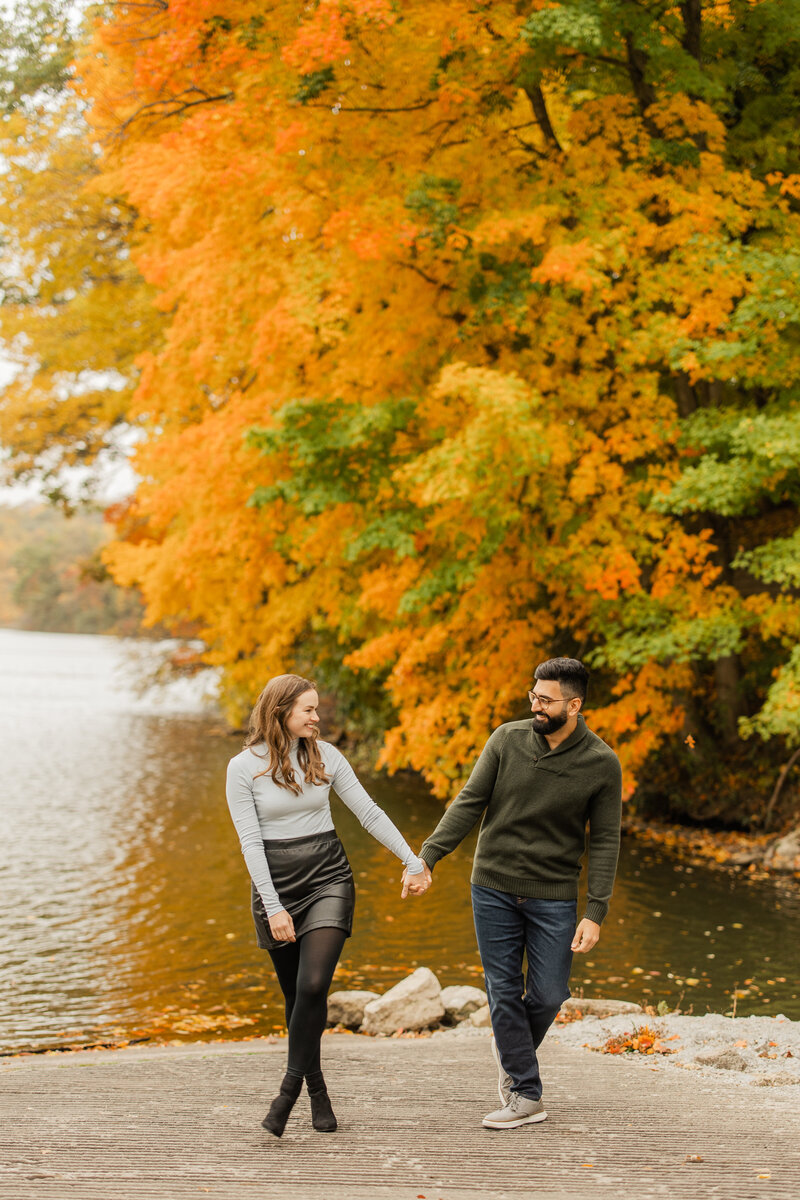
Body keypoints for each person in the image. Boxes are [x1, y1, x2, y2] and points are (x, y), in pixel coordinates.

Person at [402, 657, 622, 1130]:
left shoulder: (601, 763)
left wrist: (596, 910)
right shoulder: (506, 739)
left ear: (574, 705)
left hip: (554, 893)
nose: (535, 706)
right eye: (533, 696)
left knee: (549, 993)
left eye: (546, 700)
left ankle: (511, 1049)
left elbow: (606, 840)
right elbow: (469, 801)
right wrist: (428, 856)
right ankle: (525, 1093)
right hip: (493, 885)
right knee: (502, 989)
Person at [226, 673, 429, 1137]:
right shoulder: (242, 767)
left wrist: (412, 860)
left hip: (328, 877)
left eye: (316, 709)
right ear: (281, 712)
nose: (317, 717)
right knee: (297, 997)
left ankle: (287, 1091)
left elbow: (369, 812)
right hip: (276, 886)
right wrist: (273, 907)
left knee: (314, 984)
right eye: (309, 710)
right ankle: (317, 1089)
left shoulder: (326, 756)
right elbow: (250, 843)